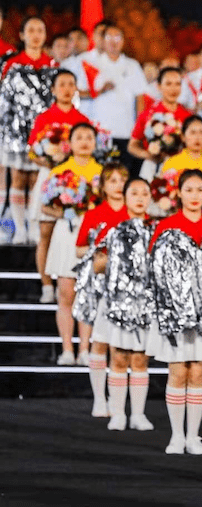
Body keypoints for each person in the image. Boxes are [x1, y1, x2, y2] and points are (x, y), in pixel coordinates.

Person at [147, 169, 202, 455]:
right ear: (178, 193)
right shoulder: (166, 226)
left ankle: (193, 436)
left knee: (198, 372)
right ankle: (176, 435)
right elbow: (153, 269)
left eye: (200, 189)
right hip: (175, 317)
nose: (194, 195)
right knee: (177, 372)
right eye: (189, 189)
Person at [89, 176, 154, 431]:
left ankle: (138, 414)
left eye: (144, 193)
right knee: (118, 357)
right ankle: (117, 413)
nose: (140, 198)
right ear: (125, 198)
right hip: (116, 303)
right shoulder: (113, 229)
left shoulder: (156, 230)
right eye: (134, 193)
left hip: (144, 305)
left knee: (139, 359)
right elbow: (97, 264)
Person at [28, 70, 91, 304]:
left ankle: (71, 283)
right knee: (45, 232)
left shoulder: (82, 119)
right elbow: (33, 151)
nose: (66, 88)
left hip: (77, 178)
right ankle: (46, 285)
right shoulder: (45, 117)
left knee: (73, 232)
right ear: (53, 90)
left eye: (71, 84)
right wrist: (50, 161)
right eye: (62, 84)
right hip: (50, 177)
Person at [42, 123, 102, 365]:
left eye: (89, 137)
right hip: (67, 234)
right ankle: (68, 349)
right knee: (66, 293)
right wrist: (64, 212)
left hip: (92, 235)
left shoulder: (103, 173)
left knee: (87, 294)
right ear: (71, 143)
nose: (85, 141)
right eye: (79, 137)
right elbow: (45, 206)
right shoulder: (59, 172)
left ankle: (85, 349)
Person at [76, 161, 130, 416]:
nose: (118, 186)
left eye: (122, 180)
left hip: (129, 290)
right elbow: (79, 248)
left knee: (121, 348)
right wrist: (99, 256)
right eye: (113, 181)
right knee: (99, 342)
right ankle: (100, 398)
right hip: (102, 287)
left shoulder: (134, 214)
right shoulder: (95, 214)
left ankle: (122, 404)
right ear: (103, 186)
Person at [1, 16, 58, 244]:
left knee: (38, 179)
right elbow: (4, 102)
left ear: (45, 36)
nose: (36, 35)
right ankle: (19, 230)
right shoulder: (11, 64)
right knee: (18, 178)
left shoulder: (52, 66)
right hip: (15, 132)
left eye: (40, 30)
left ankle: (33, 228)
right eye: (31, 30)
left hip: (42, 135)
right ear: (22, 35)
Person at [90, 24, 148, 175]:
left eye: (117, 37)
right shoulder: (92, 64)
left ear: (123, 41)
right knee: (101, 175)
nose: (113, 41)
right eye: (109, 37)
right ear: (102, 40)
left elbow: (140, 98)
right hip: (101, 132)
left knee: (125, 174)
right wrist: (100, 90)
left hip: (126, 131)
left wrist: (139, 129)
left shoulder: (132, 65)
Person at [128, 67, 193, 181]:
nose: (173, 89)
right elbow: (132, 145)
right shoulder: (149, 114)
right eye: (168, 84)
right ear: (158, 86)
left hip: (182, 167)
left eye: (177, 84)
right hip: (153, 167)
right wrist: (149, 155)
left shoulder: (188, 115)